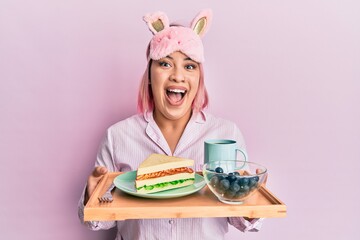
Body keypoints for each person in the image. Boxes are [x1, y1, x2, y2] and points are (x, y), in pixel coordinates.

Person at [78, 9, 264, 240]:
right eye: (165, 64)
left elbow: (240, 218)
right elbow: (98, 221)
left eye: (189, 66)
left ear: (199, 78)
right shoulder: (118, 136)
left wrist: (250, 197)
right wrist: (93, 195)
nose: (177, 76)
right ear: (149, 75)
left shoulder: (226, 133)